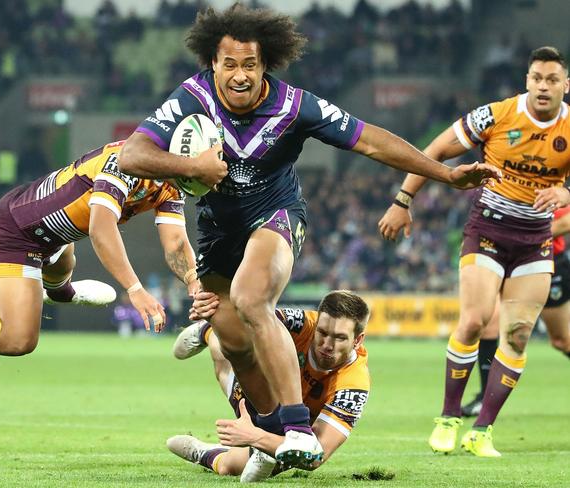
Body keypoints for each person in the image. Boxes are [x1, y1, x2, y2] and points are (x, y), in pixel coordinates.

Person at [117, 3, 499, 467]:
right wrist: (193, 167)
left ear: (266, 64)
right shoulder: (192, 97)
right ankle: (271, 437)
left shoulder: (297, 106)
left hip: (277, 216)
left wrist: (445, 175)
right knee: (236, 344)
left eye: (250, 65)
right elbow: (134, 155)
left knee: (252, 297)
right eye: (230, 64)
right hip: (217, 232)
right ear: (212, 63)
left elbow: (372, 141)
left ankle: (298, 430)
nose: (240, 75)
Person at [378, 46, 570, 457]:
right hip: (488, 231)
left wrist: (565, 190)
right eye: (537, 77)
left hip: (535, 241)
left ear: (564, 86)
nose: (543, 86)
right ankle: (448, 418)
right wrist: (403, 199)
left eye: (552, 80)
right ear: (527, 81)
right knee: (473, 321)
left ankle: (482, 431)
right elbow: (436, 151)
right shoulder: (497, 115)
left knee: (517, 336)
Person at [0, 140, 200, 355]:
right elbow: (101, 230)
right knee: (17, 341)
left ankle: (58, 291)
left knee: (65, 259)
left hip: (53, 237)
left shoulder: (169, 182)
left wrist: (193, 281)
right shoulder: (125, 162)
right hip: (14, 234)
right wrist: (135, 289)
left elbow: (176, 241)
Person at [167, 290, 370, 482]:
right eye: (323, 333)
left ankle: (204, 453)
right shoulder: (301, 324)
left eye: (340, 338)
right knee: (227, 349)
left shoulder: (354, 384)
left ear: (357, 340)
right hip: (263, 391)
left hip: (292, 432)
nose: (327, 344)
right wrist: (216, 315)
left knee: (230, 467)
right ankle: (209, 331)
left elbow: (316, 456)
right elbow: (248, 318)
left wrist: (255, 437)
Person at [462, 206, 570, 416]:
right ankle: (485, 398)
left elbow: (566, 223)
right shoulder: (511, 181)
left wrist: (524, 237)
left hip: (543, 259)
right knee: (487, 324)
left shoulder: (554, 181)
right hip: (500, 254)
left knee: (562, 340)